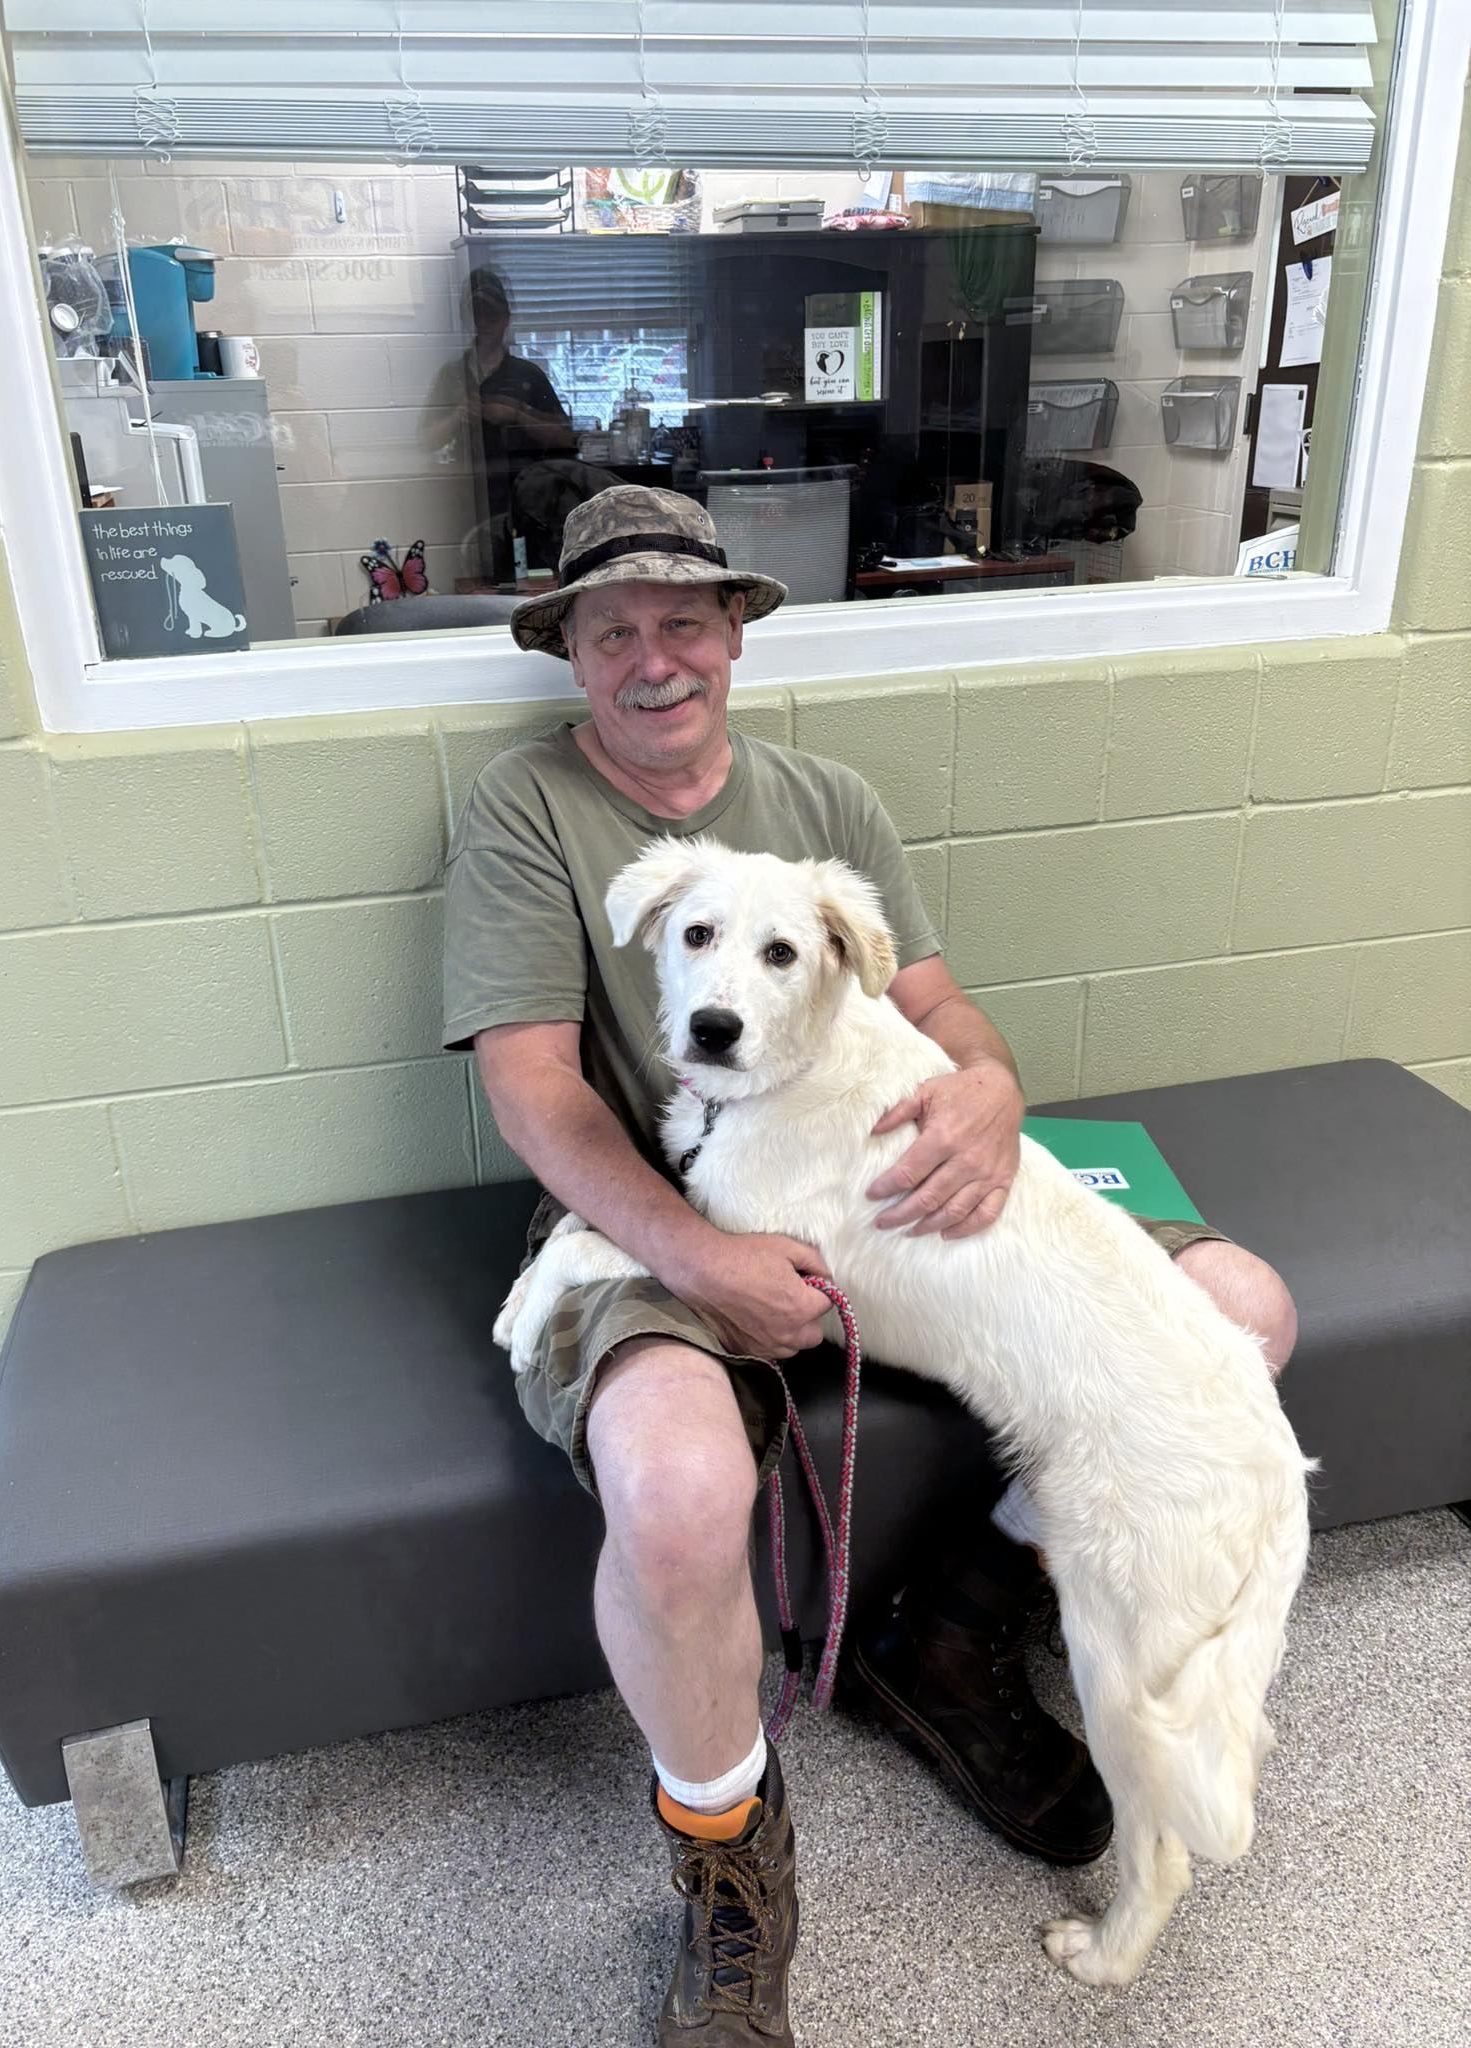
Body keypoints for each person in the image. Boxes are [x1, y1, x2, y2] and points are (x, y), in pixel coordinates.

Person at [440, 485, 1298, 2043]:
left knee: (1248, 1311)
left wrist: (990, 1094)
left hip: (895, 1186)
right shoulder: (527, 814)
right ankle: (726, 1869)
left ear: (734, 637)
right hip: (659, 1205)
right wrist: (701, 1254)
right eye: (612, 629)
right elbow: (536, 1093)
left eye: (682, 623)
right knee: (683, 1487)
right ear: (571, 653)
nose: (652, 659)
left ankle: (945, 1640)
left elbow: (946, 1009)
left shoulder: (828, 802)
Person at [422, 266, 578, 580]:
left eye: (491, 314)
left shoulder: (528, 375)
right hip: (470, 500)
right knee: (475, 580)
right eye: (477, 313)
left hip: (528, 501)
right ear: (467, 319)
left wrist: (516, 414)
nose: (484, 322)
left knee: (530, 580)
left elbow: (565, 439)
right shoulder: (451, 375)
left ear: (506, 318)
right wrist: (458, 415)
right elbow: (426, 440)